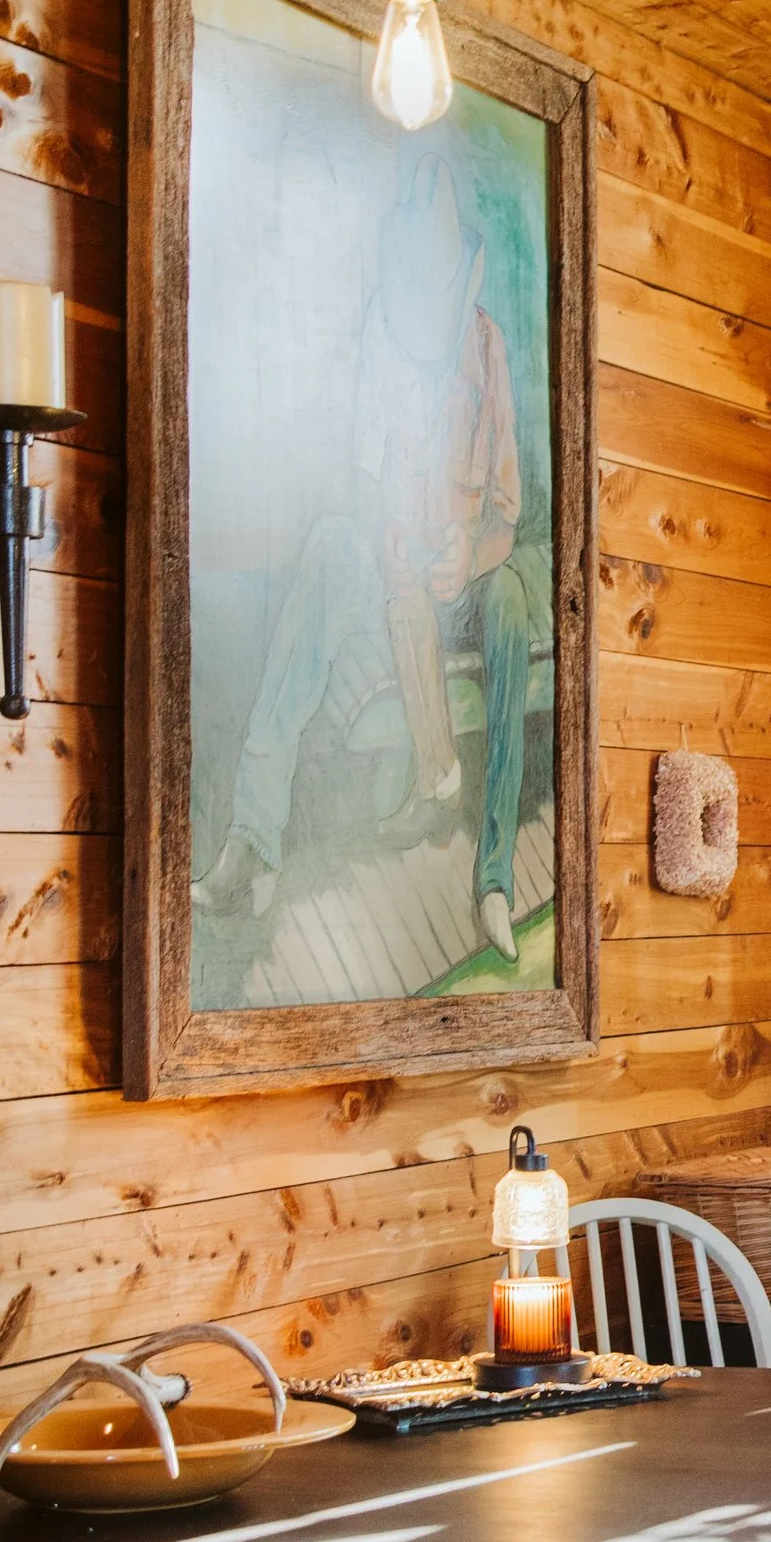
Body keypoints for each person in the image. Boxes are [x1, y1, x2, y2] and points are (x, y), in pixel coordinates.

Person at [194, 148, 536, 966]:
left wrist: (472, 552)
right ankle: (254, 842)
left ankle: (493, 876)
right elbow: (363, 474)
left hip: (468, 576)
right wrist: (390, 536)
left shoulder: (488, 353)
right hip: (393, 567)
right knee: (325, 549)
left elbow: (507, 513)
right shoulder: (379, 341)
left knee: (517, 605)